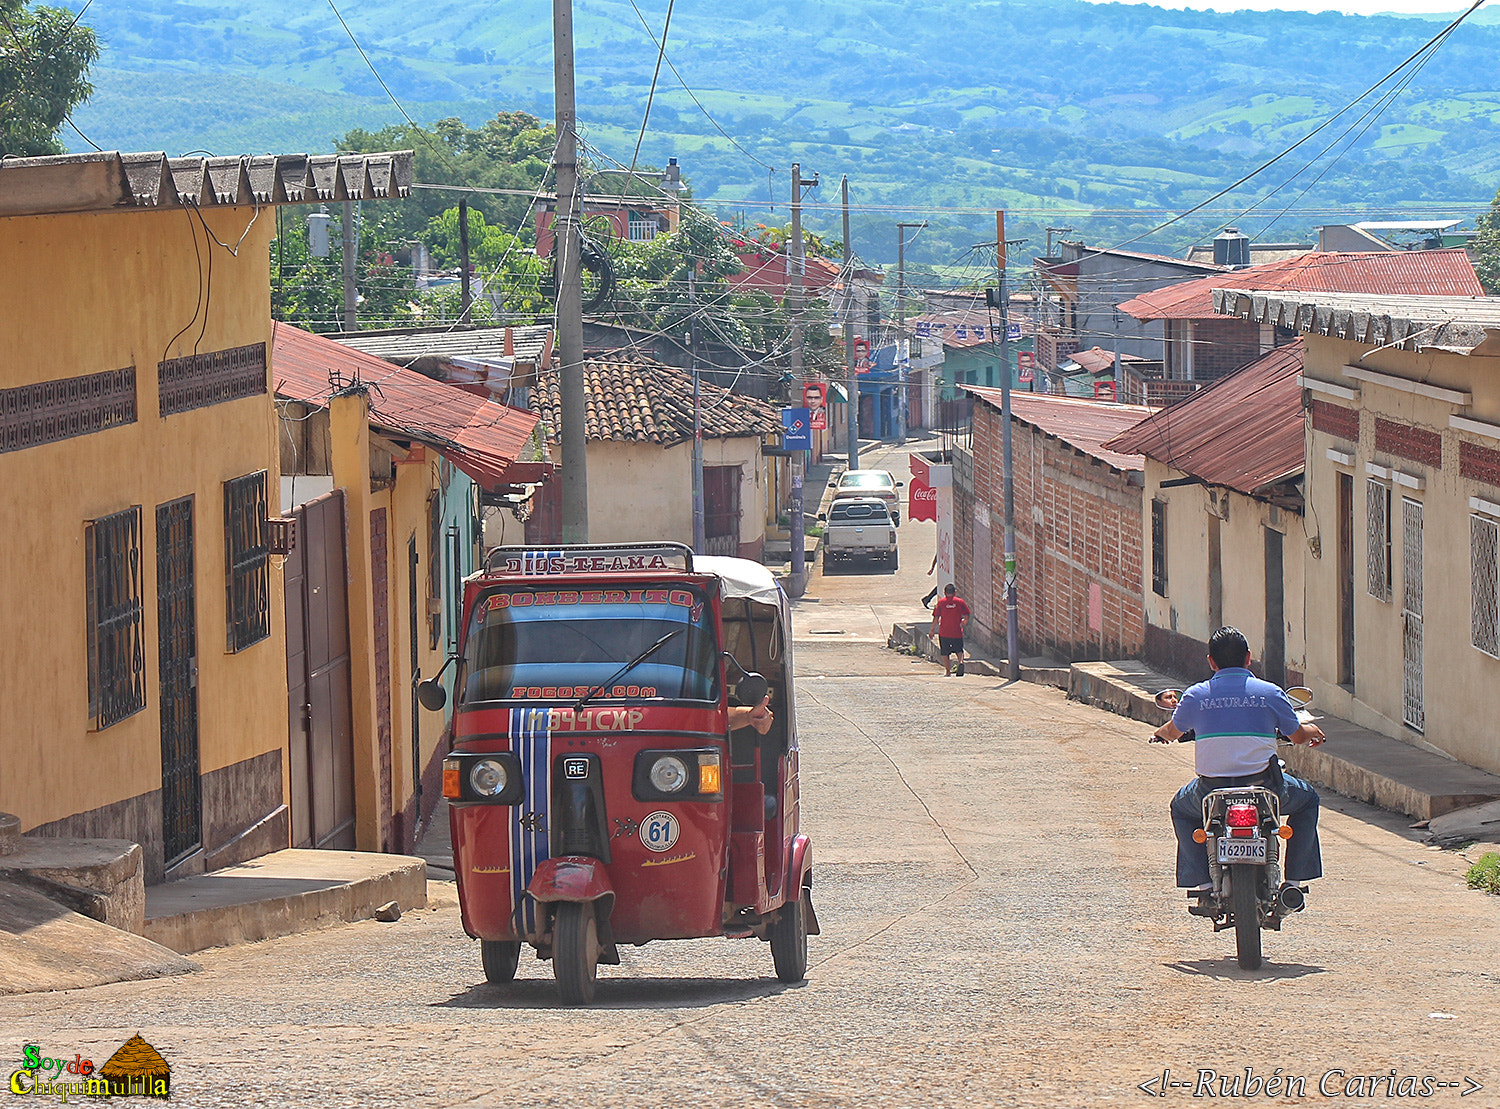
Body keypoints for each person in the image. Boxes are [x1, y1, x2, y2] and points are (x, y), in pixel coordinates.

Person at [1150, 626, 1326, 896]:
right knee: (1308, 800)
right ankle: (1293, 883)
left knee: (1181, 809)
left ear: (1210, 661)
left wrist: (1160, 733)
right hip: (1266, 788)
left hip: (1211, 790)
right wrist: (1314, 731)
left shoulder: (1195, 695)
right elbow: (1298, 735)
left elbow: (1173, 731)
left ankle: (1204, 884)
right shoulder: (1271, 693)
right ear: (1248, 658)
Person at [929, 584, 970, 677]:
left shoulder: (941, 603)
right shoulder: (960, 602)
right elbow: (967, 614)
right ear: (955, 592)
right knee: (959, 650)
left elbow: (936, 617)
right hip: (957, 631)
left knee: (945, 652)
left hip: (944, 632)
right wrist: (964, 621)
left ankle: (948, 671)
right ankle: (961, 661)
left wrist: (932, 630)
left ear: (944, 593)